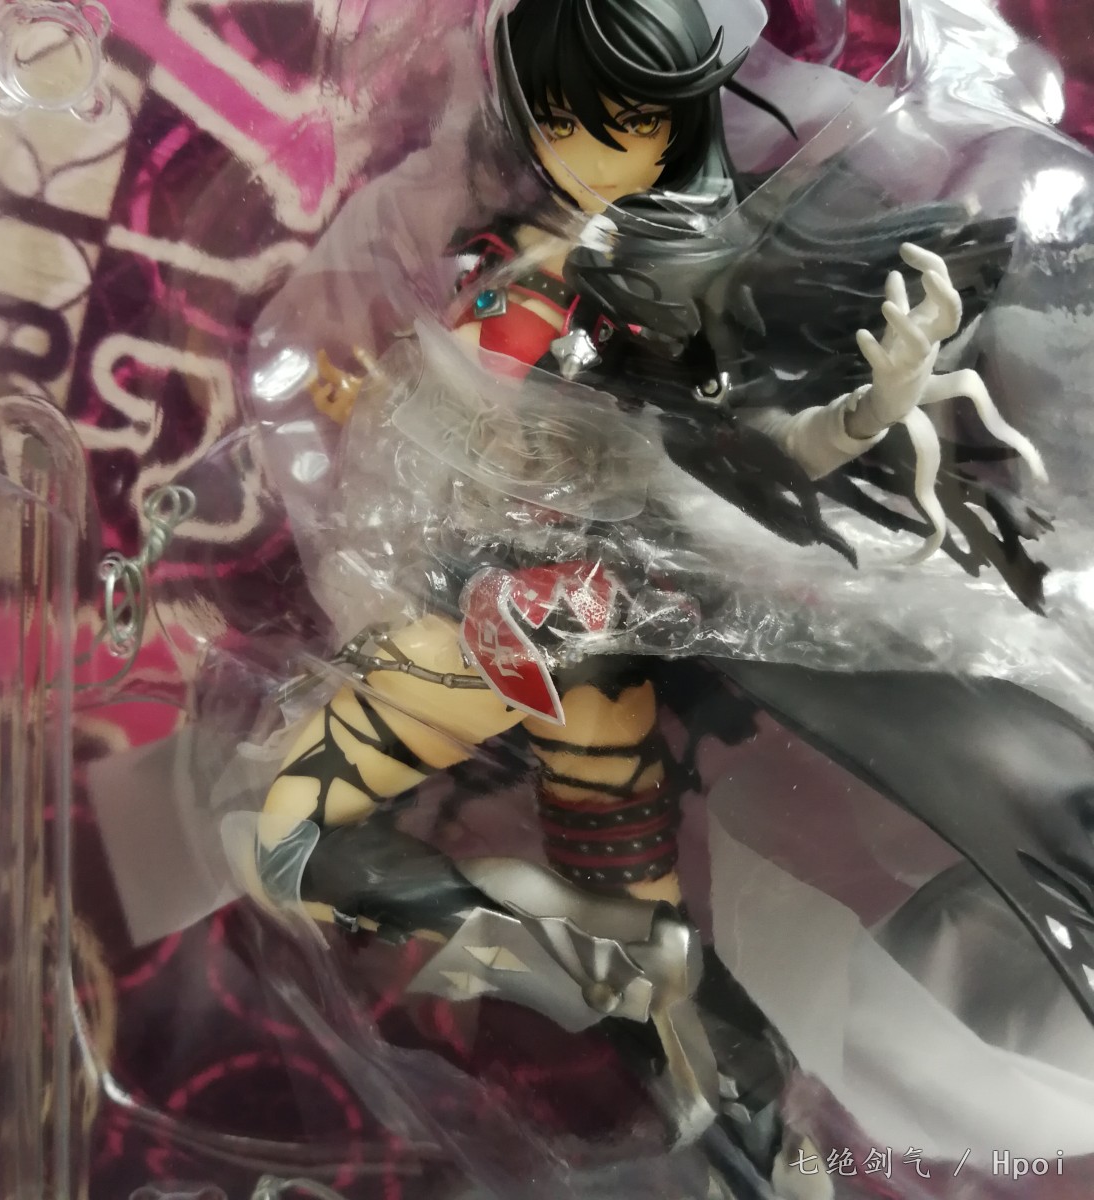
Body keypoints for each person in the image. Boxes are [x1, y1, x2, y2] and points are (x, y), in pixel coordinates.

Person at [241, 0, 1092, 1192]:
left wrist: (878, 401)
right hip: (508, 608)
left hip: (564, 622)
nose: (574, 143)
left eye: (610, 118)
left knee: (328, 842)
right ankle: (644, 1014)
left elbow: (763, 465)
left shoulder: (650, 298)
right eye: (559, 114)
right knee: (306, 840)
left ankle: (672, 1039)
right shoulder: (521, 252)